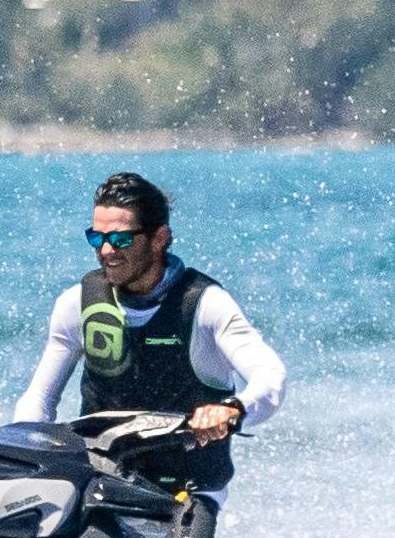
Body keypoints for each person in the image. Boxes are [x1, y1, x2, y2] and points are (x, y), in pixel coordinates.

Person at [16, 169, 284, 496]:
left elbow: (270, 379)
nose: (105, 250)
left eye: (120, 239)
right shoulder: (77, 304)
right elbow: (40, 401)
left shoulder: (205, 305)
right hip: (101, 486)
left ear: (159, 239)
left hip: (189, 492)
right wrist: (24, 453)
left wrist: (233, 410)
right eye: (96, 238)